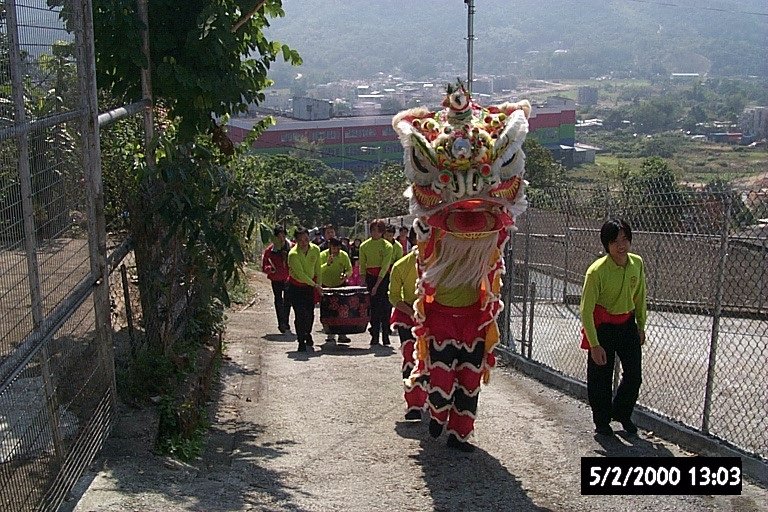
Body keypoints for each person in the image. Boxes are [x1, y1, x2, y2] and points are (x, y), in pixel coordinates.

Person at [580, 218, 647, 437]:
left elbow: (640, 297)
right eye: (616, 241)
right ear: (606, 245)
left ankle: (622, 413)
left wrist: (641, 325)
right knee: (601, 377)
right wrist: (595, 344)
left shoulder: (637, 263)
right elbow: (586, 310)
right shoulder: (596, 272)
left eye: (625, 240)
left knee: (634, 375)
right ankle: (602, 421)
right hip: (603, 328)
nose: (622, 246)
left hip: (627, 324)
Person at [388, 229, 427, 420]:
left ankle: (430, 400)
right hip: (407, 316)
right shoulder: (401, 265)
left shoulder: (438, 264)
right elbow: (394, 297)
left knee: (431, 360)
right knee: (410, 357)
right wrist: (413, 312)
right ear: (412, 240)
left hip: (432, 316)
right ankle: (413, 404)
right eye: (421, 237)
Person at [287, 227, 323, 352]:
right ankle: (301, 340)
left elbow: (318, 269)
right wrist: (315, 285)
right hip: (296, 287)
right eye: (301, 240)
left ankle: (307, 333)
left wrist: (318, 285)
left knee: (310, 314)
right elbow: (300, 274)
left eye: (306, 239)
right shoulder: (293, 254)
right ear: (296, 240)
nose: (304, 242)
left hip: (310, 287)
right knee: (300, 314)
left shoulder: (315, 249)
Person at [359, 220, 394, 345]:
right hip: (370, 277)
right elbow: (362, 265)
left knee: (385, 307)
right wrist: (363, 281)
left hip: (383, 278)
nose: (375, 233)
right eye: (373, 230)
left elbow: (385, 267)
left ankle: (385, 334)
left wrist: (377, 284)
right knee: (373, 308)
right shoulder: (364, 246)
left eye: (378, 230)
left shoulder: (387, 246)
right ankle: (374, 334)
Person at [320, 237, 353, 343]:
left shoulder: (344, 255)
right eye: (334, 248)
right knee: (328, 311)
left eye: (338, 248)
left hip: (340, 285)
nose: (336, 250)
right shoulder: (323, 255)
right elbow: (318, 270)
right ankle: (330, 334)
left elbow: (349, 269)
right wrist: (327, 264)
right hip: (326, 286)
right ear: (330, 246)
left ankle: (342, 334)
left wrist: (346, 275)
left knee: (342, 311)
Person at [261, 225, 292, 333]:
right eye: (278, 236)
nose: (281, 238)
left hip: (289, 278)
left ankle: (286, 321)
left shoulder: (292, 248)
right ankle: (281, 323)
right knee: (278, 300)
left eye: (283, 236)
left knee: (288, 300)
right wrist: (270, 269)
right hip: (276, 279)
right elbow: (264, 266)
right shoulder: (270, 250)